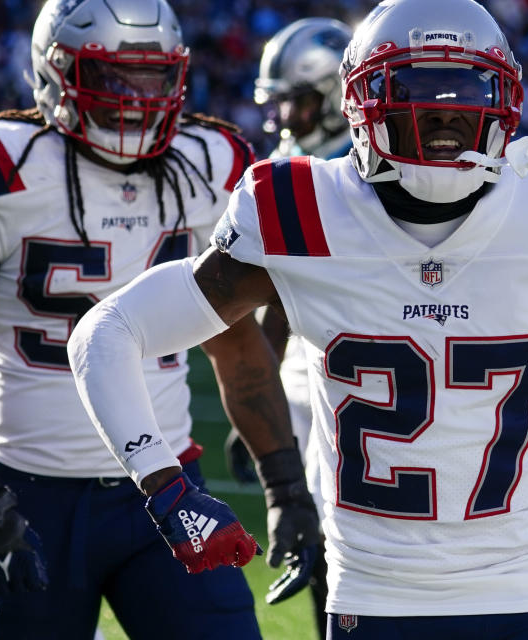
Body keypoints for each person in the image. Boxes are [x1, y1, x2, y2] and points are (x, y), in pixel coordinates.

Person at [68, 1, 528, 638]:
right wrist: (167, 490)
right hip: (378, 600)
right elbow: (106, 333)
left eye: (465, 90)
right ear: (360, 101)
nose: (443, 114)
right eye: (415, 90)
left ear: (504, 99)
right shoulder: (301, 212)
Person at [0, 0, 317, 637]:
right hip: (30, 496)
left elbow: (237, 348)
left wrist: (286, 489)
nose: (136, 100)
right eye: (113, 78)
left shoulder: (207, 167)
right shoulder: (0, 169)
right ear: (56, 72)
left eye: (154, 78)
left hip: (169, 487)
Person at [227, 16, 354, 639]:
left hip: (355, 373)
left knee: (343, 536)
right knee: (312, 534)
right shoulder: (289, 171)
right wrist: (256, 402)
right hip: (299, 374)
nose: (281, 120)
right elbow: (274, 296)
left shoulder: (359, 171)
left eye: (295, 103)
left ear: (333, 94)